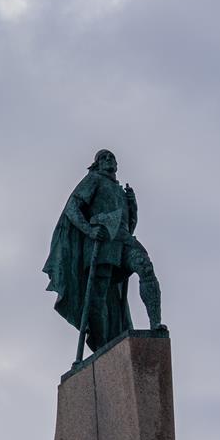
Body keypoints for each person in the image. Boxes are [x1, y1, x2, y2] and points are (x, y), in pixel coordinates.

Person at [43, 149, 164, 358]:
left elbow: (128, 225)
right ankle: (103, 345)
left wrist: (132, 207)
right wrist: (89, 230)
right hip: (102, 242)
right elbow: (72, 207)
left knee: (145, 268)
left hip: (123, 240)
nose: (108, 160)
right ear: (97, 164)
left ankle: (155, 324)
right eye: (103, 157)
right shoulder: (94, 179)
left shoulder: (119, 190)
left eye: (111, 157)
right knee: (99, 296)